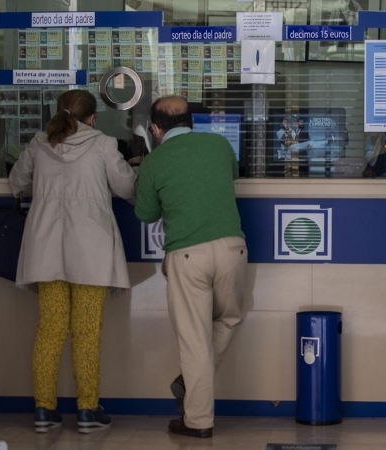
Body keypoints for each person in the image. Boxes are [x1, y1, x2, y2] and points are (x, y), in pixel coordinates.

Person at [8, 90, 137, 434]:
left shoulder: (39, 144)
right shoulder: (103, 144)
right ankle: (87, 410)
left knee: (50, 330)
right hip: (90, 250)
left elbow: (16, 182)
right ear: (92, 117)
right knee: (86, 332)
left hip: (46, 248)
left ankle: (43, 410)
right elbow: (126, 187)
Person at [135, 96, 248, 439]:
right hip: (233, 249)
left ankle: (197, 420)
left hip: (187, 256)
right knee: (228, 319)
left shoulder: (156, 161)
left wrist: (145, 171)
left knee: (195, 342)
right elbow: (233, 174)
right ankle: (192, 380)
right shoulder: (218, 144)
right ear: (191, 122)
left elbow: (145, 214)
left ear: (155, 129)